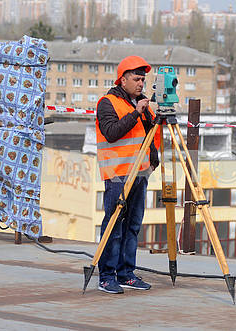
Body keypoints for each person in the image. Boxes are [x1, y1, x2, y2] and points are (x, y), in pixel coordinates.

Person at [95, 55, 160, 294]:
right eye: (136, 79)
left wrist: (154, 161)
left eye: (143, 79)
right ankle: (106, 276)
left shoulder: (142, 103)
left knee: (132, 225)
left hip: (140, 175)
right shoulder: (107, 102)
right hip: (117, 175)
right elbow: (111, 133)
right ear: (123, 79)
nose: (141, 84)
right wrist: (135, 113)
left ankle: (126, 273)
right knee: (114, 226)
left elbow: (148, 135)